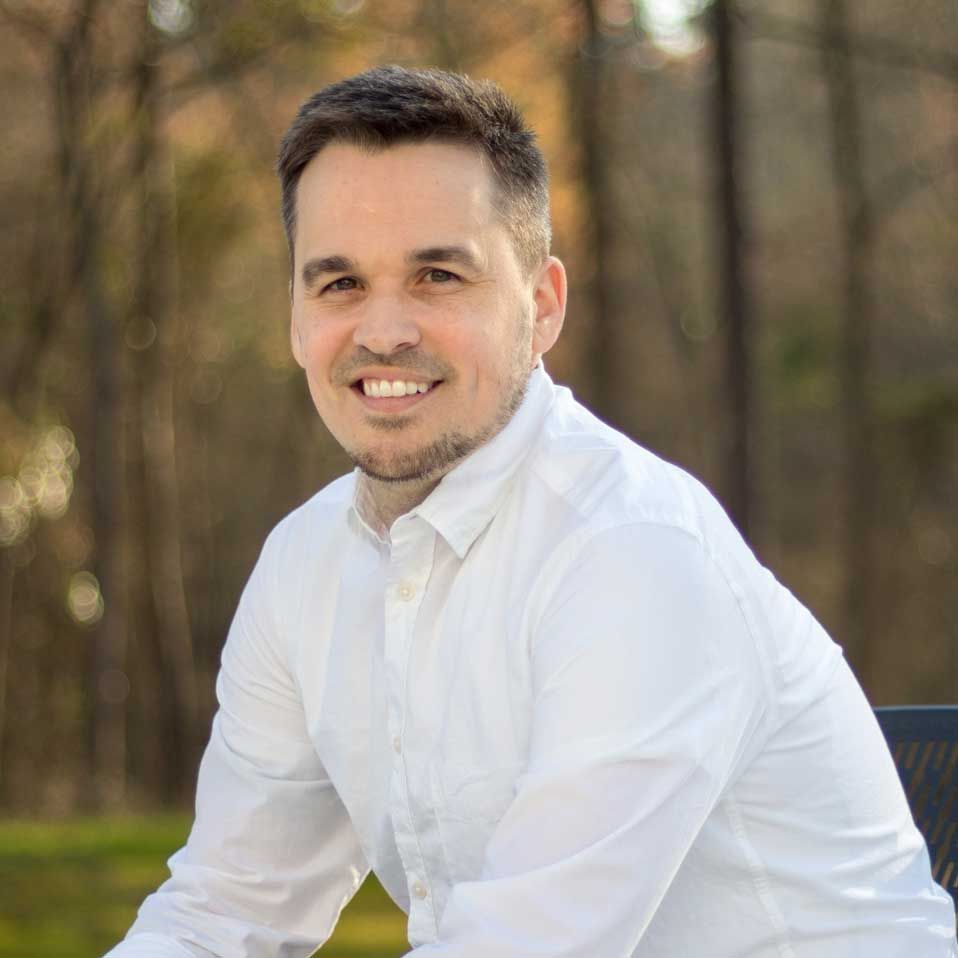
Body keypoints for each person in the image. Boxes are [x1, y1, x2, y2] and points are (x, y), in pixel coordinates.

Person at [106, 65, 957, 958]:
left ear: (542, 304)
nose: (384, 330)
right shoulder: (305, 567)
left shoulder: (632, 553)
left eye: (437, 274)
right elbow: (222, 908)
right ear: (293, 314)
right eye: (338, 283)